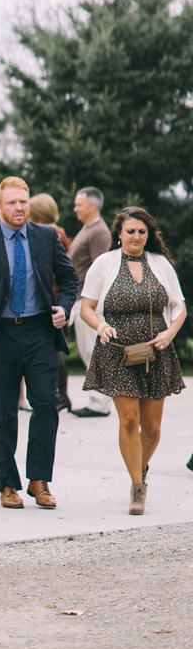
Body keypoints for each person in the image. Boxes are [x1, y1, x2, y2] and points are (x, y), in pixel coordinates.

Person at [0, 176, 78, 510]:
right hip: (0, 336)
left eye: (23, 201)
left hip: (39, 332)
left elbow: (68, 279)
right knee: (4, 412)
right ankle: (8, 484)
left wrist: (64, 307)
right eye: (12, 202)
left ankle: (39, 480)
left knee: (47, 404)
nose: (19, 208)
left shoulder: (47, 236)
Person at [78, 206, 186, 515]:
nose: (136, 236)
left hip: (156, 351)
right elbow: (87, 307)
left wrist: (169, 334)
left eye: (141, 231)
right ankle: (138, 488)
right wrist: (100, 325)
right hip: (116, 351)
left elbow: (180, 308)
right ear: (119, 234)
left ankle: (140, 466)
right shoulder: (105, 263)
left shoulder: (161, 263)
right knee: (129, 420)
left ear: (148, 234)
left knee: (151, 428)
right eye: (130, 231)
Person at [68, 187, 113, 418]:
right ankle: (97, 399)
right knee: (88, 352)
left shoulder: (99, 233)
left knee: (94, 351)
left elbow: (102, 271)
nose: (75, 208)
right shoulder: (88, 230)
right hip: (80, 299)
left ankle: (99, 403)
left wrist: (95, 307)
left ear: (92, 205)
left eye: (79, 204)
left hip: (90, 303)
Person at [28, 193, 72, 413]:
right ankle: (61, 395)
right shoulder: (60, 231)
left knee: (54, 349)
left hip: (53, 299)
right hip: (54, 297)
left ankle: (61, 396)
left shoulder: (52, 233)